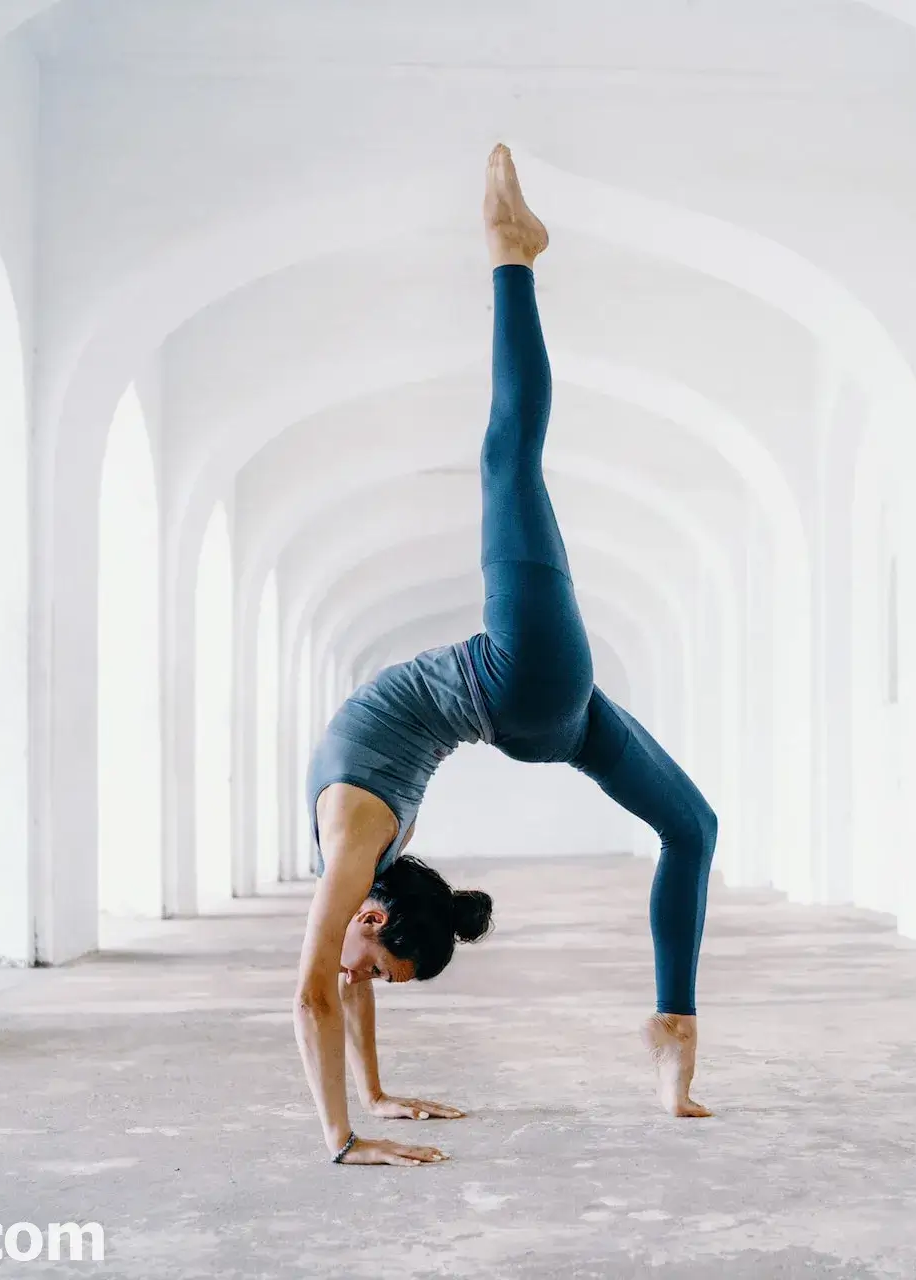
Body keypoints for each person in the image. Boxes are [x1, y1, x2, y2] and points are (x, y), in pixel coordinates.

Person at [292, 144, 719, 1167]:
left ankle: (510, 254)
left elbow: (313, 986)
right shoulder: (365, 875)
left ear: (376, 911)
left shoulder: (355, 840)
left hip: (526, 685)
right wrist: (375, 1099)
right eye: (386, 969)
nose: (366, 975)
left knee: (692, 826)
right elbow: (344, 977)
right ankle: (510, 256)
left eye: (380, 967)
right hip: (528, 694)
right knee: (692, 829)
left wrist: (350, 1131)